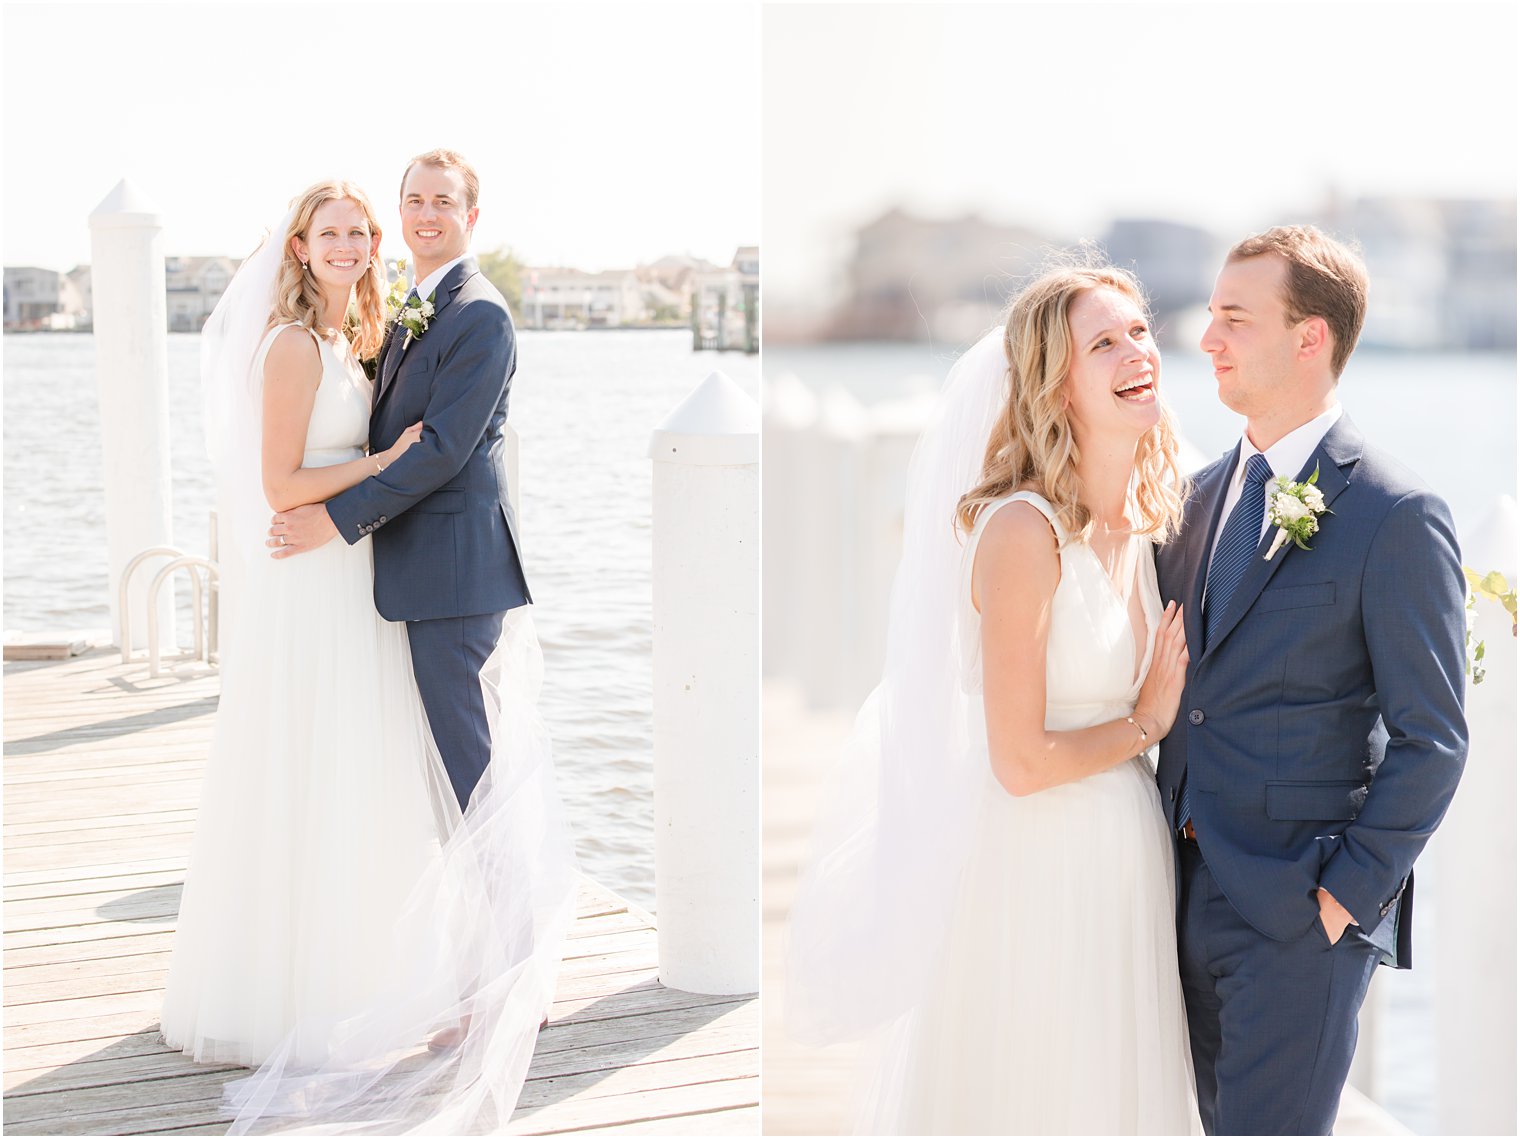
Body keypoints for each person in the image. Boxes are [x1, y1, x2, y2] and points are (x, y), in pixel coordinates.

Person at [167, 170, 575, 1135]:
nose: (407, 224)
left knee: (470, 783)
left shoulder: (477, 315)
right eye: (405, 207)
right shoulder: (363, 328)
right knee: (409, 782)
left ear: (471, 217)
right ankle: (426, 976)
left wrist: (335, 517)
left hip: (443, 582)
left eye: (440, 205)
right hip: (364, 583)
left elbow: (441, 452)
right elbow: (310, 468)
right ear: (302, 247)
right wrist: (336, 511)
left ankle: (511, 982)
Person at [788, 262, 1203, 1134]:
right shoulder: (1023, 530)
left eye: (1139, 330)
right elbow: (1018, 761)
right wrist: (1145, 723)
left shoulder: (1148, 516)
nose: (1139, 352)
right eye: (1104, 342)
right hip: (1036, 867)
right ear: (1056, 385)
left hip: (1126, 864)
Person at [1156, 225, 1467, 1136]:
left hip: (1299, 916)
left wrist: (1342, 898)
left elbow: (1434, 737)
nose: (1207, 339)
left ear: (1309, 337)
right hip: (1171, 895)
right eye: (1211, 317)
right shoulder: (1194, 498)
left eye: (1234, 320)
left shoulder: (1395, 513)